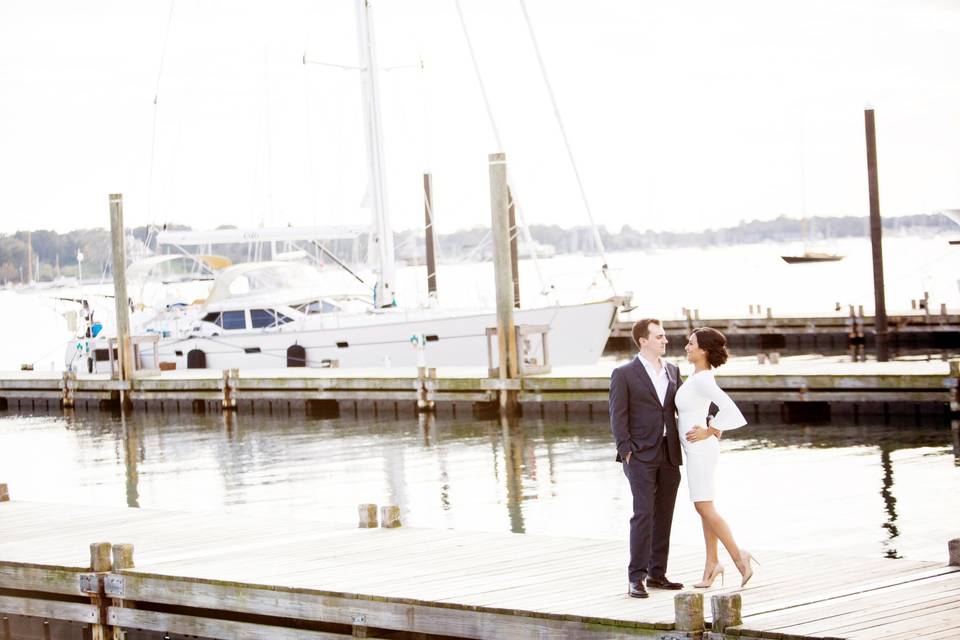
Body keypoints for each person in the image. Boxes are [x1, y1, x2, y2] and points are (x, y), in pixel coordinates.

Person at [609, 318, 688, 598]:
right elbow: (618, 416)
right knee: (643, 514)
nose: (665, 340)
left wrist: (713, 416)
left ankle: (657, 573)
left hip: (669, 452)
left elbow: (687, 402)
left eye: (664, 336)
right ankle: (636, 577)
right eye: (659, 336)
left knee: (664, 514)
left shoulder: (673, 371)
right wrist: (626, 450)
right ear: (643, 340)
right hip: (639, 454)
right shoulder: (624, 373)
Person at [677, 327, 758, 588]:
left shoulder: (702, 379)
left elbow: (732, 411)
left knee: (703, 507)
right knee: (705, 507)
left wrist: (710, 430)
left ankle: (738, 556)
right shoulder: (698, 376)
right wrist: (711, 424)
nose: (687, 347)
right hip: (696, 450)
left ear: (703, 350)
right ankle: (712, 564)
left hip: (701, 450)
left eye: (691, 343)